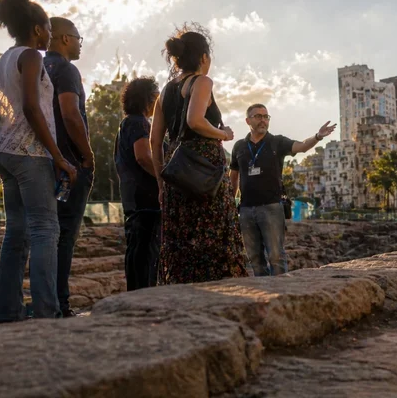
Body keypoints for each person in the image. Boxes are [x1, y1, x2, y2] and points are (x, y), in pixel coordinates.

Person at [0, 0, 77, 322]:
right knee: (45, 230)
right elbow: (30, 106)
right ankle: (46, 312)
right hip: (29, 153)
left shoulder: (3, 60)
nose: (50, 36)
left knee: (16, 233)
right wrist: (57, 155)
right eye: (49, 30)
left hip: (4, 151)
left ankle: (9, 313)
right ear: (38, 29)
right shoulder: (30, 56)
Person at [149, 25, 247, 284]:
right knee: (213, 233)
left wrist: (161, 181)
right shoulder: (202, 81)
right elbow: (195, 120)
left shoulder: (165, 92)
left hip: (176, 173)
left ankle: (185, 291)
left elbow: (154, 140)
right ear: (203, 57)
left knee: (183, 239)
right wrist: (223, 133)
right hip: (205, 170)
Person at [230, 104, 336, 276]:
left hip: (272, 208)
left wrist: (318, 136)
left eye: (266, 116)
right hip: (246, 209)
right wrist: (230, 204)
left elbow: (301, 146)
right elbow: (233, 177)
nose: (263, 120)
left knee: (276, 257)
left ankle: (280, 296)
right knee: (254, 259)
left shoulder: (277, 142)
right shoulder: (239, 146)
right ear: (248, 120)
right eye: (258, 116)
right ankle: (264, 297)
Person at [44, 17, 94, 317]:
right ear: (64, 38)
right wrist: (87, 155)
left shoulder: (40, 69)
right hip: (69, 165)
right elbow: (70, 115)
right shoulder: (66, 69)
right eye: (78, 38)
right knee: (65, 235)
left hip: (42, 160)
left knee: (45, 234)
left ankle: (44, 302)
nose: (79, 44)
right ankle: (59, 305)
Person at [115, 77, 162, 290]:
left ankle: (136, 293)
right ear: (148, 98)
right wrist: (164, 179)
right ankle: (142, 296)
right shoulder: (139, 123)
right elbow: (143, 157)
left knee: (136, 250)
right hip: (145, 198)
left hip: (133, 197)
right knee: (144, 252)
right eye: (156, 97)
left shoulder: (127, 123)